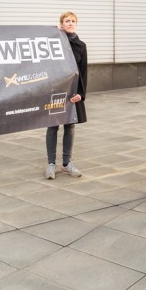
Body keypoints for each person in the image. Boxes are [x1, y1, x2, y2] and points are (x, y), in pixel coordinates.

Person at [45, 11, 87, 180]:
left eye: (73, 21)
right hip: (55, 91)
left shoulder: (81, 46)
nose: (70, 23)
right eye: (66, 21)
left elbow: (83, 72)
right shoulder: (53, 42)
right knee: (52, 126)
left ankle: (66, 164)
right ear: (61, 24)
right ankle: (51, 164)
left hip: (73, 92)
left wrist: (80, 94)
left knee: (70, 126)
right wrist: (53, 34)